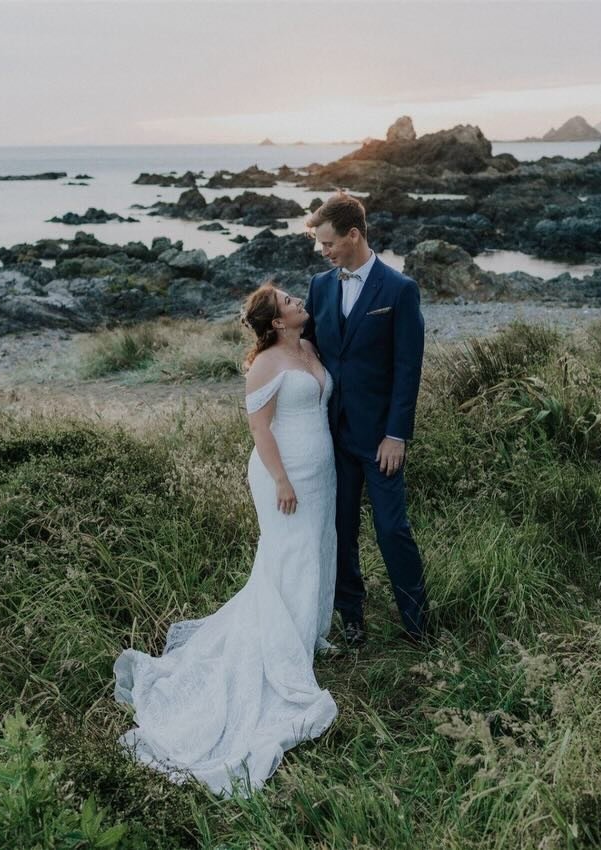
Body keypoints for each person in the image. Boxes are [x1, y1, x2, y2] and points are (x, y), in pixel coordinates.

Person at [112, 283, 338, 797]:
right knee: (288, 556)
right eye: (287, 301)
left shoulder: (307, 347)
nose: (298, 301)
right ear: (276, 321)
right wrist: (280, 479)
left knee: (316, 552)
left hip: (321, 471)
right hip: (286, 473)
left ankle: (306, 635)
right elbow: (260, 429)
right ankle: (284, 650)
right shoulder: (264, 363)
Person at [303, 192, 429, 647]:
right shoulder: (319, 287)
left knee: (392, 529)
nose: (324, 252)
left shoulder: (399, 290)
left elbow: (407, 368)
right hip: (331, 436)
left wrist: (397, 433)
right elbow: (308, 348)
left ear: (353, 234)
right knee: (340, 530)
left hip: (380, 440)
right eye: (321, 246)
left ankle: (417, 624)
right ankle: (352, 617)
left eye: (328, 243)